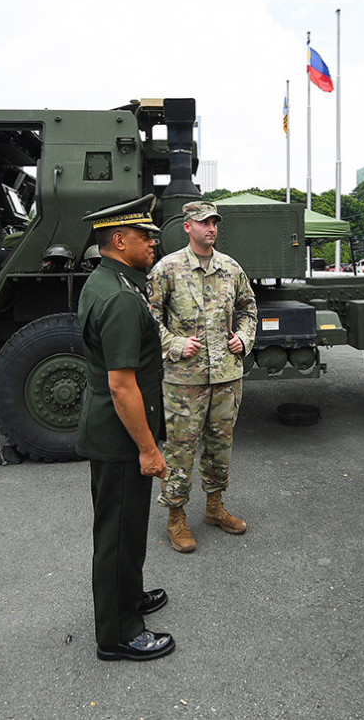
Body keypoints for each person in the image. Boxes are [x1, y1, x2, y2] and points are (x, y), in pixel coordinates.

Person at [76, 195, 175, 662]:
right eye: (145, 235)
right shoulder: (117, 295)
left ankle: (128, 598)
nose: (154, 241)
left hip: (119, 433)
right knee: (117, 535)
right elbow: (121, 385)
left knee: (129, 528)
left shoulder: (113, 281)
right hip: (121, 438)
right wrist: (148, 449)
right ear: (119, 240)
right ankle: (117, 634)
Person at [148, 200, 257, 553]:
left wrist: (243, 338)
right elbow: (148, 318)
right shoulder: (168, 268)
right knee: (181, 450)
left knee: (220, 445)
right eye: (203, 222)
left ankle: (214, 507)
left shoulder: (230, 268)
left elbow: (249, 310)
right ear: (187, 227)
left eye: (214, 222)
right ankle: (176, 516)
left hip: (226, 375)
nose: (210, 227)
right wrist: (175, 344)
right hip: (184, 380)